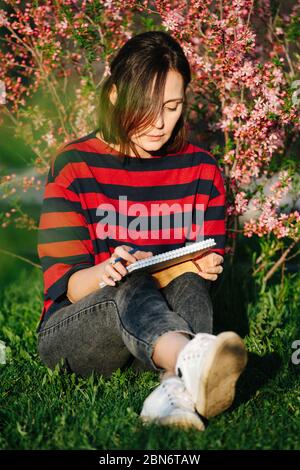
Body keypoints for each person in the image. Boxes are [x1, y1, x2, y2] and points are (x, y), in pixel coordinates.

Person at [36, 30, 247, 432]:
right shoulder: (74, 164)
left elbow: (202, 269)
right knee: (129, 280)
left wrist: (206, 264)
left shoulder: (202, 170)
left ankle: (173, 392)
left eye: (171, 107)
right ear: (114, 95)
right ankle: (192, 360)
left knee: (190, 278)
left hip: (152, 336)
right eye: (145, 106)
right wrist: (107, 271)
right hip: (80, 336)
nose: (159, 123)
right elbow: (68, 285)